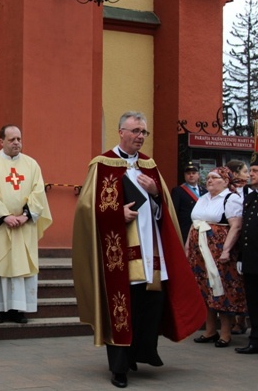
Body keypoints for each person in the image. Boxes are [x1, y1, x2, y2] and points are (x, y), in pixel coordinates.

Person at [72, 111, 206, 389]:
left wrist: (156, 192)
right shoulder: (102, 164)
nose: (140, 137)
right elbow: (85, 210)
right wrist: (115, 214)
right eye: (135, 131)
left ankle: (139, 353)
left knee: (148, 304)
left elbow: (164, 209)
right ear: (121, 132)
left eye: (144, 132)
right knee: (122, 305)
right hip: (117, 252)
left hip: (150, 251)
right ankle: (119, 368)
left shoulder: (149, 165)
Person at [0, 125, 53, 324]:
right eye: (11, 139)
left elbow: (38, 192)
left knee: (21, 265)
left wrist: (26, 216)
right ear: (1, 141)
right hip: (1, 226)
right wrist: (4, 216)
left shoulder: (31, 164)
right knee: (0, 264)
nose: (16, 143)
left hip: (23, 226)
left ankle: (19, 309)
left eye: (19, 139)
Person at [187, 166, 246, 347]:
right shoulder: (203, 198)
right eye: (209, 177)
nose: (209, 180)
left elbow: (235, 226)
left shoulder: (231, 198)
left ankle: (226, 333)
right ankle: (210, 330)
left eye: (214, 177)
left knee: (222, 288)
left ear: (226, 181)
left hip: (218, 250)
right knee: (204, 288)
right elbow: (195, 223)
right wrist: (187, 246)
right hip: (200, 251)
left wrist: (226, 250)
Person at [235, 159, 258, 354]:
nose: (251, 174)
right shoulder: (250, 198)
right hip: (251, 259)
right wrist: (242, 257)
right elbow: (245, 230)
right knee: (253, 301)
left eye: (256, 171)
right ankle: (255, 340)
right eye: (251, 170)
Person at [226, 159, 251, 334]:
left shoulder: (248, 191)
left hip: (243, 239)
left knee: (242, 282)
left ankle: (241, 320)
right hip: (228, 237)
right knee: (233, 281)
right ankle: (235, 318)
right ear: (234, 174)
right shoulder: (227, 191)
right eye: (244, 172)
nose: (248, 175)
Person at [171, 161, 206, 244]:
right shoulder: (178, 191)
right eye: (188, 173)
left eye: (194, 173)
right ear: (185, 176)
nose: (191, 175)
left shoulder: (205, 191)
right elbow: (174, 211)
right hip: (186, 228)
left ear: (198, 175)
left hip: (202, 228)